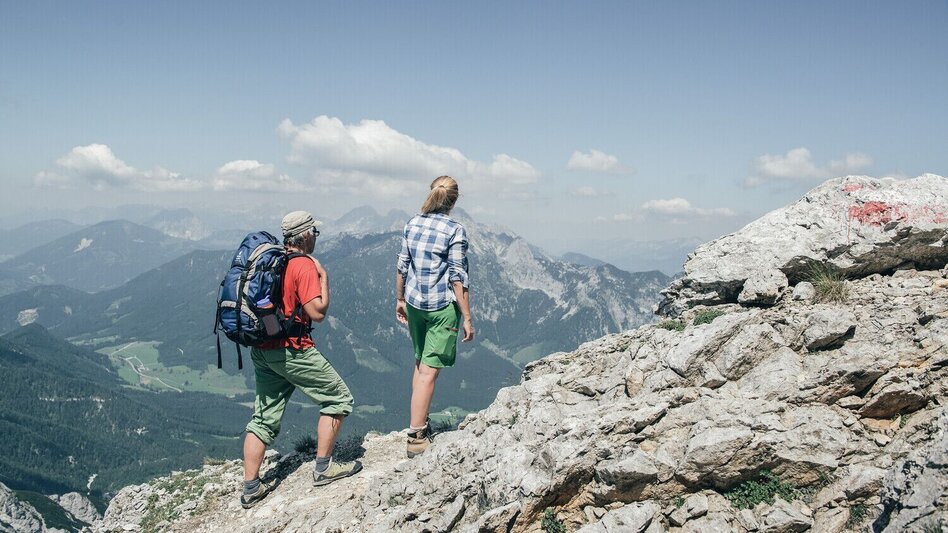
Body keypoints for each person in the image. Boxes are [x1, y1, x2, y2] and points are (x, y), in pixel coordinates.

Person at [240, 210, 362, 509]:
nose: (316, 238)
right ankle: (323, 468)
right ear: (305, 235)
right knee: (339, 399)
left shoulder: (273, 261)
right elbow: (317, 313)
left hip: (262, 350)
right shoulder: (304, 266)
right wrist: (324, 278)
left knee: (263, 418)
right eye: (315, 234)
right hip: (293, 349)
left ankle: (251, 487)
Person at [395, 175, 474, 458]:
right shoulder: (455, 230)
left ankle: (419, 423)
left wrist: (400, 299)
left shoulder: (412, 223)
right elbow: (457, 277)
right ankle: (416, 436)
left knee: (420, 365)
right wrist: (467, 317)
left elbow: (402, 266)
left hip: (415, 303)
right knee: (429, 372)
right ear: (454, 200)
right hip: (441, 307)